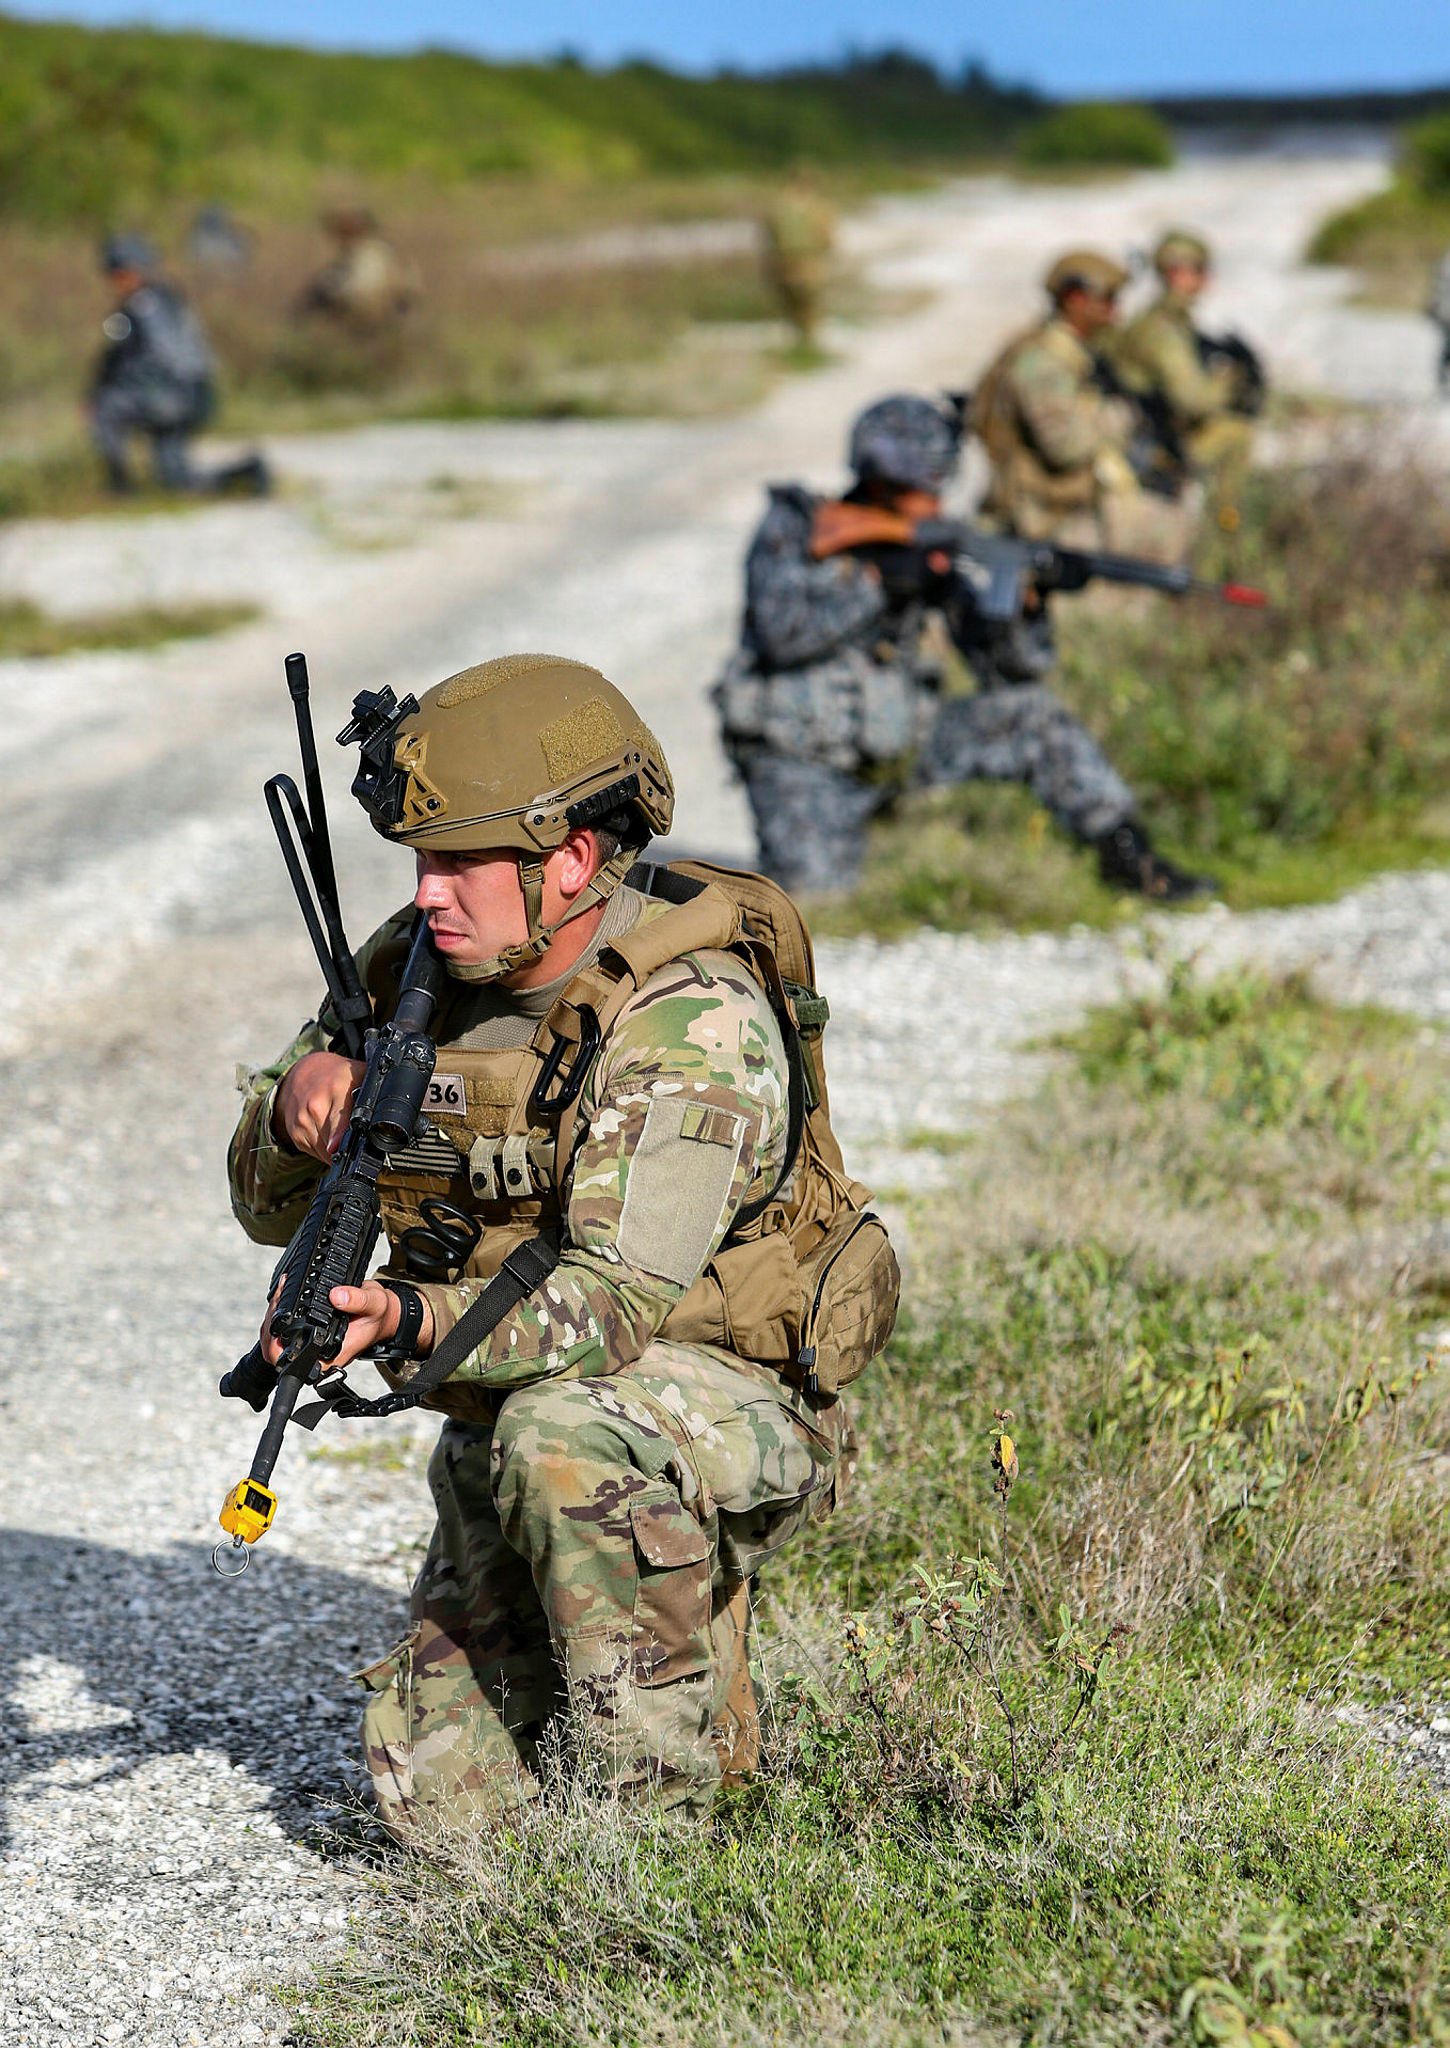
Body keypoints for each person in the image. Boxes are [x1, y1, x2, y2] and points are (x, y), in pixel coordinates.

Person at [227, 653, 885, 1832]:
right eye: (421, 863)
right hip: (512, 1398)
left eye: (458, 864)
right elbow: (265, 1205)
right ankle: (593, 1597)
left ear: (572, 858)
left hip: (710, 1397)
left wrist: (413, 1320)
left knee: (558, 1435)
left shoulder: (691, 1017)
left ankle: (666, 1824)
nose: (429, 895)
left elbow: (614, 1306)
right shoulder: (416, 970)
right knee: (440, 1813)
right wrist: (294, 1111)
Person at [714, 394, 1214, 902]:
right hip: (801, 760)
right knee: (818, 903)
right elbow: (782, 637)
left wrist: (1025, 608)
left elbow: (1010, 670)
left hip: (900, 748)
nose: (932, 497)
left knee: (1031, 715)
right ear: (881, 476)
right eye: (918, 484)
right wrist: (880, 586)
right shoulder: (796, 529)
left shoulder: (934, 546)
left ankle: (1130, 858)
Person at [971, 249, 1186, 560]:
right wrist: (1121, 417)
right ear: (1075, 299)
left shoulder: (1073, 353)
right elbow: (1066, 447)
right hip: (1043, 519)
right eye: (1108, 299)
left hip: (1066, 506)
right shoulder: (1042, 362)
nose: (1116, 311)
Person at [90, 234, 268, 497]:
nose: (117, 282)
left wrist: (99, 392)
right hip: (190, 395)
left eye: (120, 274)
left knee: (105, 407)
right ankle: (248, 470)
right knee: (178, 481)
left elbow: (134, 359)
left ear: (134, 271)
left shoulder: (143, 306)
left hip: (171, 398)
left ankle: (120, 487)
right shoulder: (166, 299)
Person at [1109, 229, 1261, 524]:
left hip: (1154, 432)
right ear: (1177, 274)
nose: (1206, 280)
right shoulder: (1162, 330)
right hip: (1149, 445)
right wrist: (1232, 383)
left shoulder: (1169, 321)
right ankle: (1226, 524)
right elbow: (1193, 400)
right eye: (1199, 270)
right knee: (1236, 434)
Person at [296, 206, 418, 331]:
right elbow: (408, 293)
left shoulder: (354, 260)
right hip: (386, 323)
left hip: (361, 320)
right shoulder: (387, 254)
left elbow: (337, 292)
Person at [759, 171, 837, 352]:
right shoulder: (819, 206)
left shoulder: (777, 207)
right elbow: (828, 238)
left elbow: (769, 236)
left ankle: (800, 346)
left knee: (792, 306)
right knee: (809, 307)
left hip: (784, 263)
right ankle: (807, 347)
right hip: (809, 261)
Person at [1426, 247, 1450, 397]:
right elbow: (1439, 289)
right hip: (1446, 313)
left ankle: (1442, 378)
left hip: (1444, 311)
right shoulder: (1447, 261)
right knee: (1447, 345)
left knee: (1447, 345)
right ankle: (1442, 379)